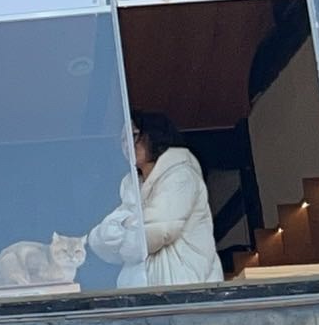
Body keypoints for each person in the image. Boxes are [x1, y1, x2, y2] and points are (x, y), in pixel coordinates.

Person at [88, 111, 224, 287]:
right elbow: (98, 241)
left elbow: (158, 231)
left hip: (184, 292)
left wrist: (124, 233)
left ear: (155, 135)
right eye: (122, 140)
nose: (127, 145)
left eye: (133, 135)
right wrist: (131, 229)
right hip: (148, 296)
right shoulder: (132, 187)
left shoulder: (181, 175)